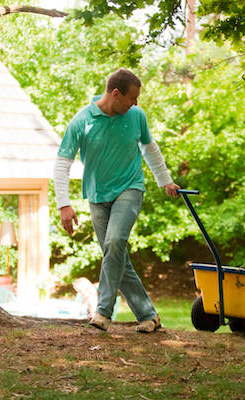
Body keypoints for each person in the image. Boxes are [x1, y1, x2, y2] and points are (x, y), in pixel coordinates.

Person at [53, 68, 180, 333]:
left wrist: (165, 180)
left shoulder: (136, 117)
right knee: (116, 255)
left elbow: (150, 148)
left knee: (115, 242)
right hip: (98, 196)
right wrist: (63, 203)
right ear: (115, 93)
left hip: (130, 188)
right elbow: (63, 163)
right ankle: (149, 315)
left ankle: (102, 312)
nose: (136, 103)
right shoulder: (82, 121)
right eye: (132, 98)